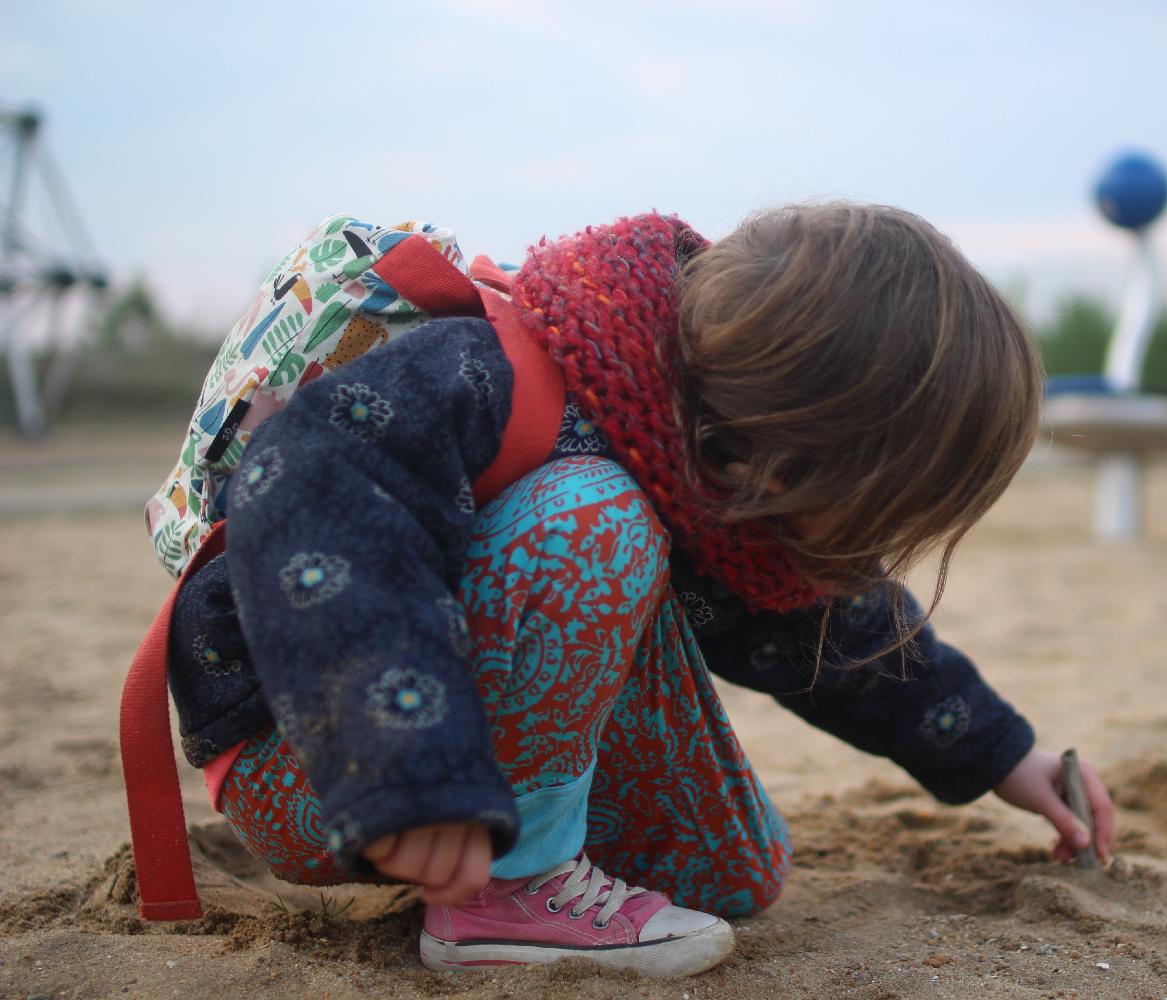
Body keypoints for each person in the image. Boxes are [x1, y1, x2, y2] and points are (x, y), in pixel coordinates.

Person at [165, 203, 1116, 977]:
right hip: (324, 750)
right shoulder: (483, 373)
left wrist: (1002, 754)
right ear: (789, 464)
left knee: (737, 874)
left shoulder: (708, 454)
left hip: (455, 744)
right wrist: (409, 771)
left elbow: (828, 625)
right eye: (879, 517)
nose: (874, 551)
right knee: (596, 521)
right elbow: (305, 492)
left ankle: (519, 857)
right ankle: (506, 896)